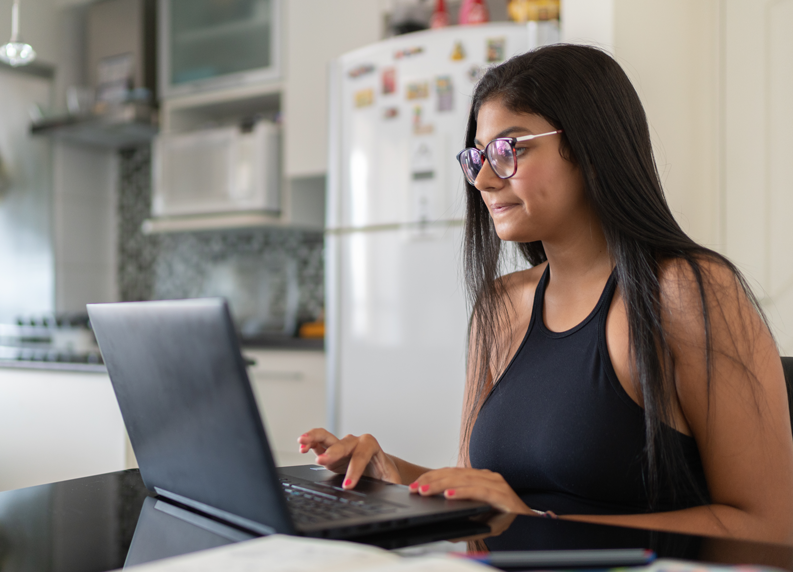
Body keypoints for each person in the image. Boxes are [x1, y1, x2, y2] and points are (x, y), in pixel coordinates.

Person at [299, 44, 793, 544]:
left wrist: (540, 529)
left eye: (510, 149)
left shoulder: (688, 294)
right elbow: (479, 491)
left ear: (589, 146)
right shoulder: (499, 306)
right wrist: (391, 477)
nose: (485, 180)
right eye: (478, 157)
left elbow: (771, 530)